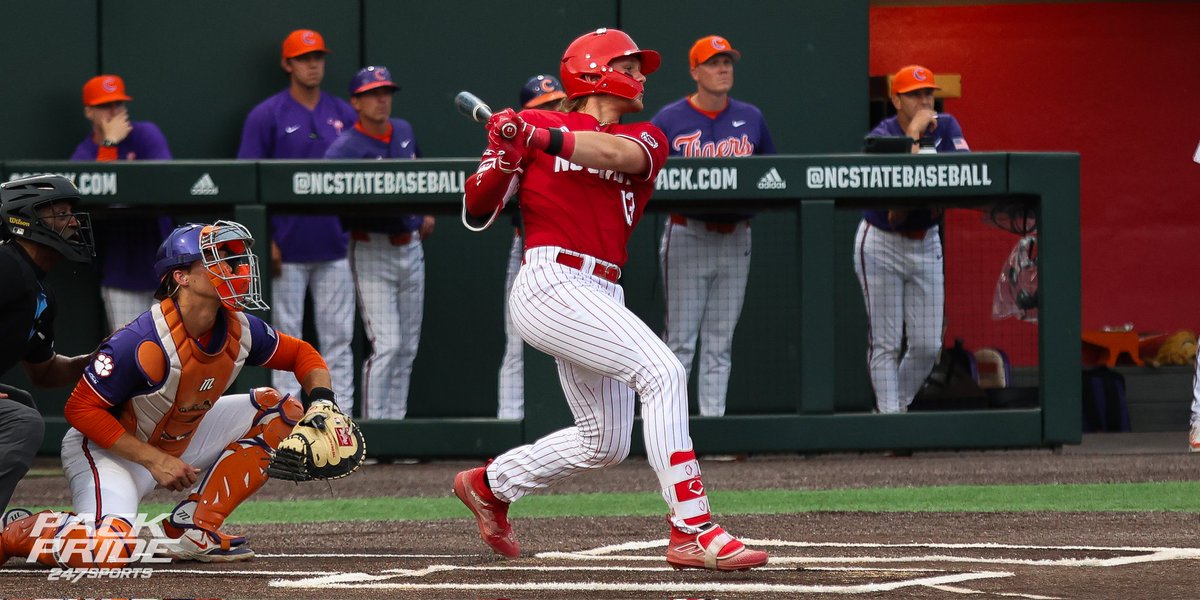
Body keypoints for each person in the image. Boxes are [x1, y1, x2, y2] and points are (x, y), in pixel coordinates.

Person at [456, 28, 768, 572]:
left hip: (602, 288)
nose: (641, 76)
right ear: (594, 72)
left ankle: (490, 485)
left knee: (604, 442)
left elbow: (615, 153)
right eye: (629, 66)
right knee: (663, 372)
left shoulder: (646, 135)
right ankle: (692, 527)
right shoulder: (531, 128)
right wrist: (504, 152)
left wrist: (535, 135)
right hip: (549, 280)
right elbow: (477, 211)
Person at [0, 220, 335, 567]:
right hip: (111, 452)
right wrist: (154, 460)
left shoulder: (242, 328)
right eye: (216, 259)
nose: (234, 268)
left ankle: (193, 528)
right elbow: (80, 409)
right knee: (109, 550)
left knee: (280, 411)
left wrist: (324, 401)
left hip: (177, 441)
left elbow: (302, 354)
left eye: (232, 259)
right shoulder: (139, 341)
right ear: (181, 276)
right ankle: (15, 532)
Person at [651, 35, 775, 417]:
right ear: (695, 71)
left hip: (736, 237)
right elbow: (647, 171)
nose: (723, 69)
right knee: (680, 342)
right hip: (688, 234)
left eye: (728, 62)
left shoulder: (752, 117)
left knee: (720, 342)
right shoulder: (669, 119)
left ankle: (713, 425)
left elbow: (774, 174)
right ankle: (670, 430)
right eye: (714, 62)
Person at [237, 28, 357, 411]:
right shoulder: (266, 114)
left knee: (338, 340)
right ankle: (284, 421)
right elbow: (245, 181)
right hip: (284, 250)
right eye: (304, 58)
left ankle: (339, 420)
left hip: (334, 246)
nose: (312, 65)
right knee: (283, 344)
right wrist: (265, 241)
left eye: (317, 57)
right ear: (287, 64)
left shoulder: (343, 113)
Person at [855, 64, 970, 414]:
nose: (923, 101)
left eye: (928, 93)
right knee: (886, 343)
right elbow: (896, 197)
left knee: (927, 345)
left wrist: (925, 195)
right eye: (914, 95)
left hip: (926, 240)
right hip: (883, 242)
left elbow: (965, 176)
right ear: (896, 100)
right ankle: (890, 420)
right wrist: (915, 137)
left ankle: (894, 409)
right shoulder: (882, 134)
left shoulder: (947, 126)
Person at [325, 65, 433, 420]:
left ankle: (395, 426)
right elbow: (326, 200)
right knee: (388, 345)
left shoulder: (403, 130)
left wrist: (426, 212)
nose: (381, 99)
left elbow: (425, 175)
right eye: (372, 94)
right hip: (372, 248)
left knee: (408, 348)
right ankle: (374, 430)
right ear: (355, 102)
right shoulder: (344, 149)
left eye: (385, 92)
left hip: (411, 247)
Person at [0, 175, 96, 517]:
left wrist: (96, 359)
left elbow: (45, 373)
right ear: (26, 219)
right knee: (21, 422)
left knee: (21, 403)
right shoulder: (5, 265)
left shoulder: (40, 291)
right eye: (61, 213)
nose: (73, 223)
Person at [71, 74, 174, 332]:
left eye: (118, 103)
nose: (115, 111)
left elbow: (164, 183)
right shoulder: (84, 154)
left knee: (172, 348)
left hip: (164, 265)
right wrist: (109, 147)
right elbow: (92, 197)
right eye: (105, 105)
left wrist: (125, 181)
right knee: (130, 349)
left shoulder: (146, 134)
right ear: (89, 111)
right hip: (120, 270)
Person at [496, 74, 567, 420]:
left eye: (557, 103)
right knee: (517, 343)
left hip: (580, 255)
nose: (555, 111)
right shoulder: (519, 146)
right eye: (545, 106)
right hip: (530, 250)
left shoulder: (582, 139)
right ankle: (511, 420)